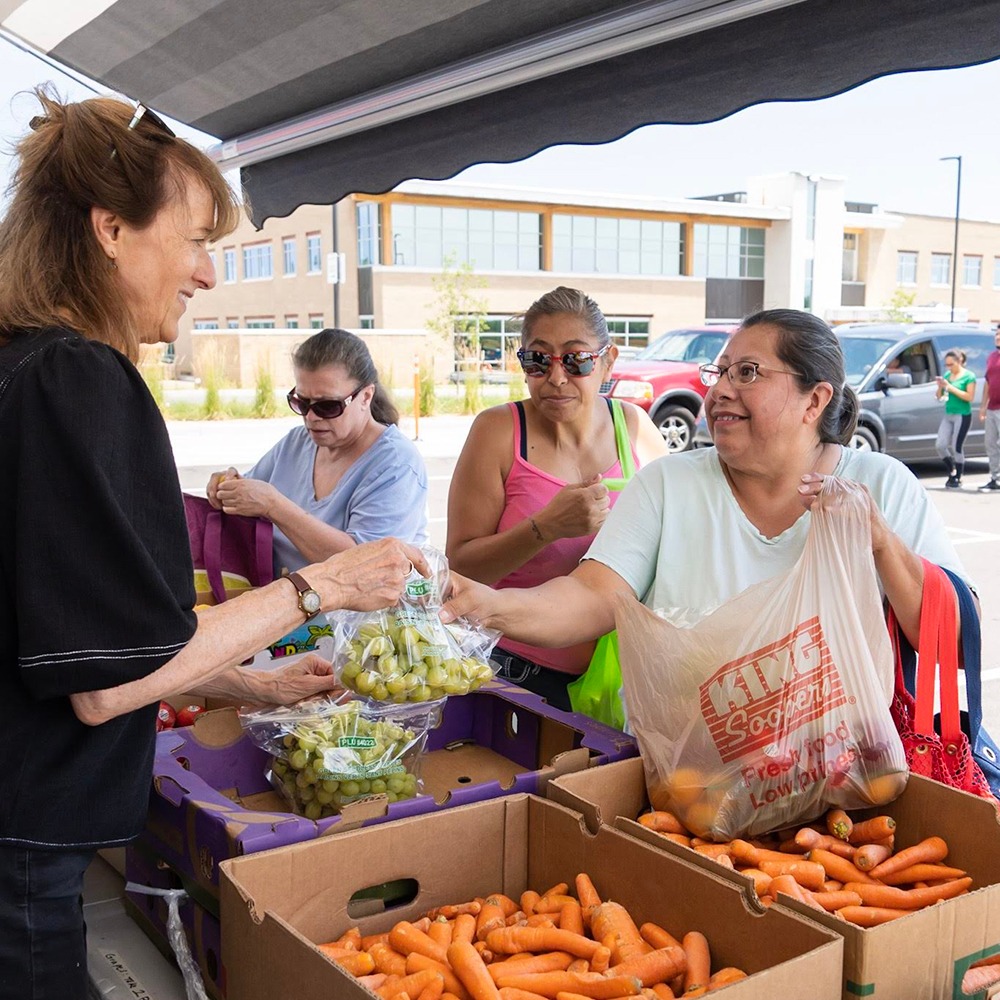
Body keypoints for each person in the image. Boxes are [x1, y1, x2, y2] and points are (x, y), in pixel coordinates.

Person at [0, 90, 426, 1000]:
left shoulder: (22, 362)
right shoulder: (77, 376)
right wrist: (325, 586)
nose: (206, 273)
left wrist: (250, 684)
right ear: (111, 230)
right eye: (194, 239)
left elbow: (76, 643)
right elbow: (105, 686)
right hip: (20, 842)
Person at [441, 308, 971, 663]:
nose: (719, 392)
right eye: (719, 373)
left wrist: (879, 541)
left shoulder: (882, 486)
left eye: (748, 373)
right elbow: (590, 597)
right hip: (691, 782)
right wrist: (486, 604)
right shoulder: (669, 485)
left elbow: (952, 641)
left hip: (849, 787)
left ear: (815, 401)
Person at [446, 287, 667, 709]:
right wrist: (545, 528)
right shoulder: (497, 432)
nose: (557, 377)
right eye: (538, 360)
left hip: (620, 675)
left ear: (607, 361)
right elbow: (462, 565)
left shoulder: (636, 429)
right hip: (520, 670)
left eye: (576, 359)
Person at [207, 328, 428, 576]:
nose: (311, 417)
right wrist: (228, 485)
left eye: (328, 406)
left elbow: (366, 567)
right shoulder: (297, 442)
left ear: (366, 396)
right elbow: (250, 496)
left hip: (356, 614)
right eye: (301, 403)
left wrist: (274, 506)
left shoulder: (396, 465)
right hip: (285, 603)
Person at [935, 349, 976, 489]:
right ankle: (951, 468)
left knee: (956, 446)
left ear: (959, 362)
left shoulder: (969, 376)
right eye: (946, 365)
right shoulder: (948, 375)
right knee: (940, 444)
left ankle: (958, 475)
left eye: (951, 364)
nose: (949, 368)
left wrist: (950, 387)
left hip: (962, 414)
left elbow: (969, 397)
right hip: (949, 413)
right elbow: (939, 396)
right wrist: (940, 387)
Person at [978, 327, 1000, 492]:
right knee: (990, 443)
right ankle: (995, 478)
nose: (997, 337)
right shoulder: (992, 357)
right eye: (996, 334)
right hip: (992, 407)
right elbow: (987, 382)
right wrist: (983, 406)